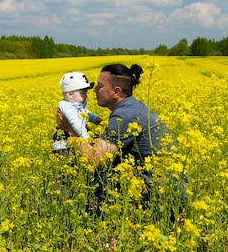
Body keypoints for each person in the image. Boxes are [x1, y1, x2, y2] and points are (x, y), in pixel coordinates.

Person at [57, 63, 186, 215]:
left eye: (99, 86)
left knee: (98, 173)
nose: (94, 90)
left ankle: (103, 224)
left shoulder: (125, 116)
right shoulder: (131, 107)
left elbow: (93, 161)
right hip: (164, 186)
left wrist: (71, 130)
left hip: (161, 195)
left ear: (116, 92)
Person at [52, 72, 102, 155]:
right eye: (83, 93)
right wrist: (85, 137)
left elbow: (85, 113)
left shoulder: (75, 105)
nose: (86, 96)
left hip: (73, 139)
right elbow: (74, 121)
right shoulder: (67, 107)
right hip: (64, 144)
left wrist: (95, 119)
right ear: (70, 94)